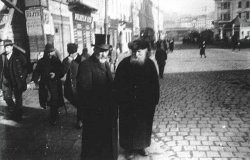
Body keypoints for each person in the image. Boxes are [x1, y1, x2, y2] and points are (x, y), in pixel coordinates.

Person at [114, 39, 160, 159]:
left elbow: (155, 84)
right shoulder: (124, 64)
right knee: (128, 126)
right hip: (127, 104)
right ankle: (128, 148)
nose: (136, 54)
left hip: (144, 104)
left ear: (145, 52)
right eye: (134, 52)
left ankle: (141, 146)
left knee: (143, 127)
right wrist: (119, 99)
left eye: (139, 52)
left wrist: (154, 100)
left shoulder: (149, 64)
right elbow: (117, 83)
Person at [77, 36, 117, 160]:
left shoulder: (105, 64)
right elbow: (85, 92)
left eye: (106, 51)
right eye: (101, 51)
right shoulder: (86, 65)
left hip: (106, 112)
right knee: (93, 145)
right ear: (95, 50)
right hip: (94, 113)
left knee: (106, 143)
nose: (104, 54)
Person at [29, 43, 64, 125]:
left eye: (51, 51)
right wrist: (33, 80)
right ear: (46, 52)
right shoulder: (41, 61)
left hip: (54, 84)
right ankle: (53, 114)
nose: (50, 53)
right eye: (48, 52)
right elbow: (37, 71)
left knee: (54, 100)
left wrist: (55, 74)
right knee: (47, 99)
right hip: (45, 84)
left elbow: (61, 72)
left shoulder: (56, 61)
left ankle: (54, 117)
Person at [0, 40, 28, 121]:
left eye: (8, 47)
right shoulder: (2, 56)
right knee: (6, 97)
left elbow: (26, 67)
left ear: (12, 47)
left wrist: (23, 77)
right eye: (5, 47)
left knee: (18, 97)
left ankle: (18, 115)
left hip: (17, 80)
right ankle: (14, 109)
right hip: (6, 81)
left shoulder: (18, 55)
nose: (6, 49)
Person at [62, 43, 82, 129]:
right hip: (69, 87)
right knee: (74, 100)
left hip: (79, 85)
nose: (70, 54)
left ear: (76, 52)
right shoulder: (66, 60)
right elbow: (62, 72)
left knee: (80, 103)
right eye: (69, 52)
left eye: (72, 53)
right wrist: (67, 63)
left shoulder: (82, 59)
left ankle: (80, 120)